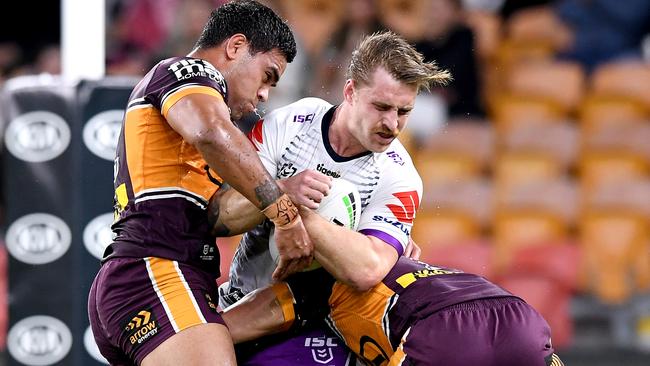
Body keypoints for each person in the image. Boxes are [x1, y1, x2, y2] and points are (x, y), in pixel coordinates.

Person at [87, 1, 314, 365]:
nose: (263, 95)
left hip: (156, 278)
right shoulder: (188, 71)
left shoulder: (194, 124)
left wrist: (286, 191)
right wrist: (283, 214)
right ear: (236, 47)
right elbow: (211, 131)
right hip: (156, 273)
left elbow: (214, 218)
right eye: (267, 75)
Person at [210, 31, 450, 365]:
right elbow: (220, 217)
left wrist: (290, 214)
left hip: (320, 327)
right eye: (381, 107)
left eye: (403, 111)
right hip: (239, 301)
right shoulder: (292, 123)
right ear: (350, 92)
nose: (392, 124)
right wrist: (280, 191)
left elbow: (366, 270)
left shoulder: (400, 177)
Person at [221, 257, 566, 366]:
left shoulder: (323, 281)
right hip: (520, 316)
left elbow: (222, 331)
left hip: (440, 332)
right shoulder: (391, 256)